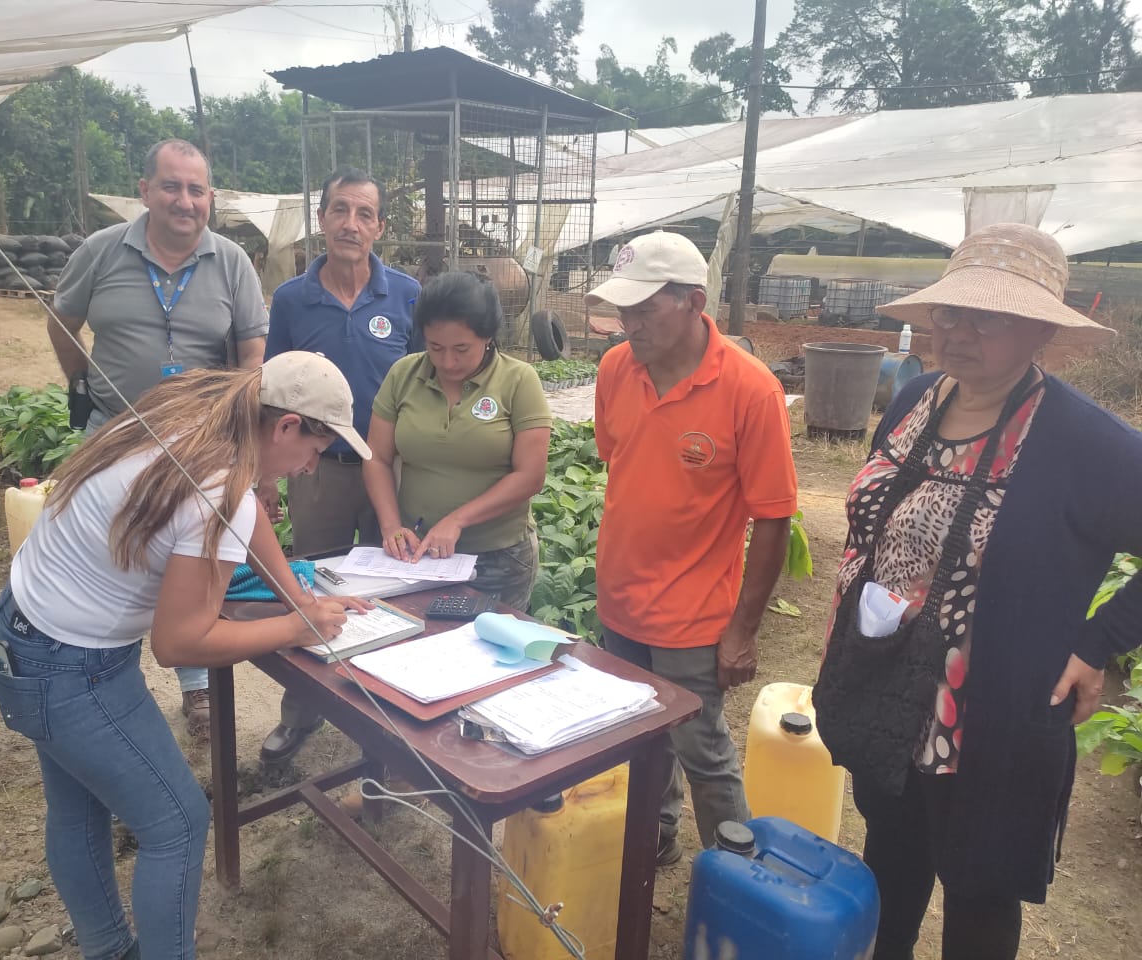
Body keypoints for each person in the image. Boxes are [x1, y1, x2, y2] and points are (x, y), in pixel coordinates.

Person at [813, 222, 1138, 960]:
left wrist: (1098, 644)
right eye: (951, 311)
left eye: (989, 317)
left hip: (989, 713)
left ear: (1042, 332)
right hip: (886, 683)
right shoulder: (915, 396)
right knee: (891, 857)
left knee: (980, 891)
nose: (959, 332)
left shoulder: (1085, 443)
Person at [0, 352, 372, 960]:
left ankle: (110, 951)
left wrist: (300, 597)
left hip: (20, 634)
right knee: (178, 824)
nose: (311, 466)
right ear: (288, 426)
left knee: (79, 806)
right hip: (69, 666)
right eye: (315, 450)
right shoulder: (217, 486)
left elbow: (244, 517)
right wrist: (294, 629)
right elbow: (181, 643)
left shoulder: (200, 413)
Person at [586, 231, 797, 866]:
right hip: (620, 601)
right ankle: (656, 837)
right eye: (623, 309)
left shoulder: (750, 390)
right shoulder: (615, 369)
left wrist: (743, 631)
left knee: (702, 750)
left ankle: (735, 881)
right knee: (638, 736)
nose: (628, 324)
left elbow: (774, 519)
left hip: (693, 616)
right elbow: (621, 462)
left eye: (645, 309)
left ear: (693, 302)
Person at [49, 138, 269, 736]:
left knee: (188, 561)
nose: (184, 201)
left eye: (196, 190)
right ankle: (103, 675)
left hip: (194, 444)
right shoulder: (101, 251)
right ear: (145, 191)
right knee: (111, 554)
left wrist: (233, 425)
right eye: (171, 186)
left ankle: (197, 687)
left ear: (210, 197)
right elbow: (61, 320)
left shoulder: (232, 261)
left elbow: (252, 352)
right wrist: (81, 384)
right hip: (111, 434)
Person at [259, 168, 421, 763]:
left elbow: (423, 381)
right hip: (316, 472)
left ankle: (387, 723)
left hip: (388, 473)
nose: (351, 224)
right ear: (322, 218)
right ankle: (300, 713)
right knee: (310, 586)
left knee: (392, 592)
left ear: (380, 226)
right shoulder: (292, 299)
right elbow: (270, 392)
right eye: (340, 210)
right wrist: (266, 477)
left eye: (364, 213)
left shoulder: (406, 295)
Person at [364, 271, 552, 607]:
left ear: (488, 337)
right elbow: (377, 457)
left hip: (498, 558)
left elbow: (530, 476)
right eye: (435, 347)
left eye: (462, 349)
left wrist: (457, 520)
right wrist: (391, 526)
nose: (447, 362)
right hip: (419, 554)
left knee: (493, 638)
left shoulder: (518, 380)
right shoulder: (404, 374)